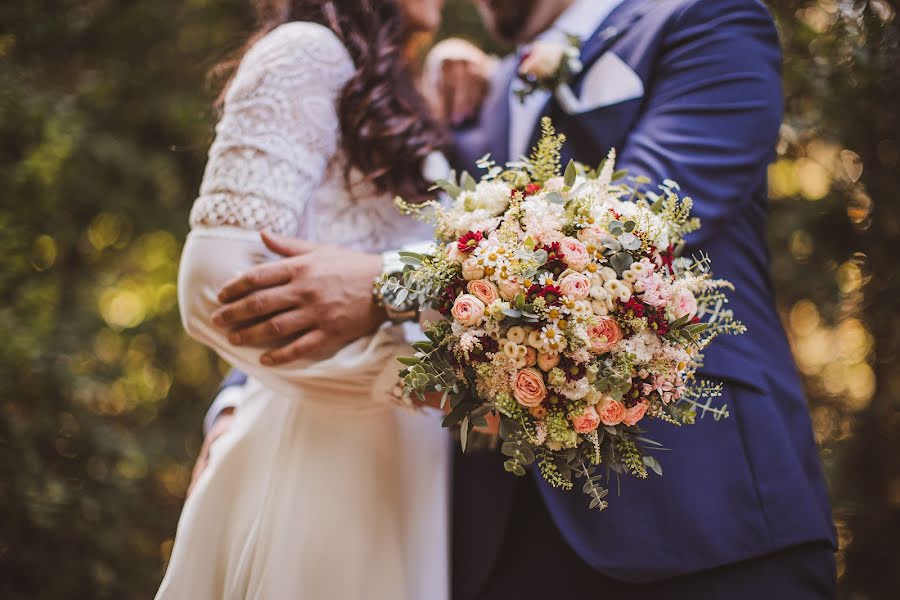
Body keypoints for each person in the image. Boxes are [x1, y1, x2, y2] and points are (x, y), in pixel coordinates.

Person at [202, 0, 838, 598]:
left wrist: (386, 284)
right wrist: (243, 394)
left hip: (704, 513)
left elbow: (634, 226)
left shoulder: (704, 20)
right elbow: (350, 235)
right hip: (487, 529)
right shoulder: (473, 95)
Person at [157, 1, 455, 598]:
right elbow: (213, 286)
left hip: (404, 471)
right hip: (323, 460)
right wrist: (415, 381)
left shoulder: (393, 91)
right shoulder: (303, 53)